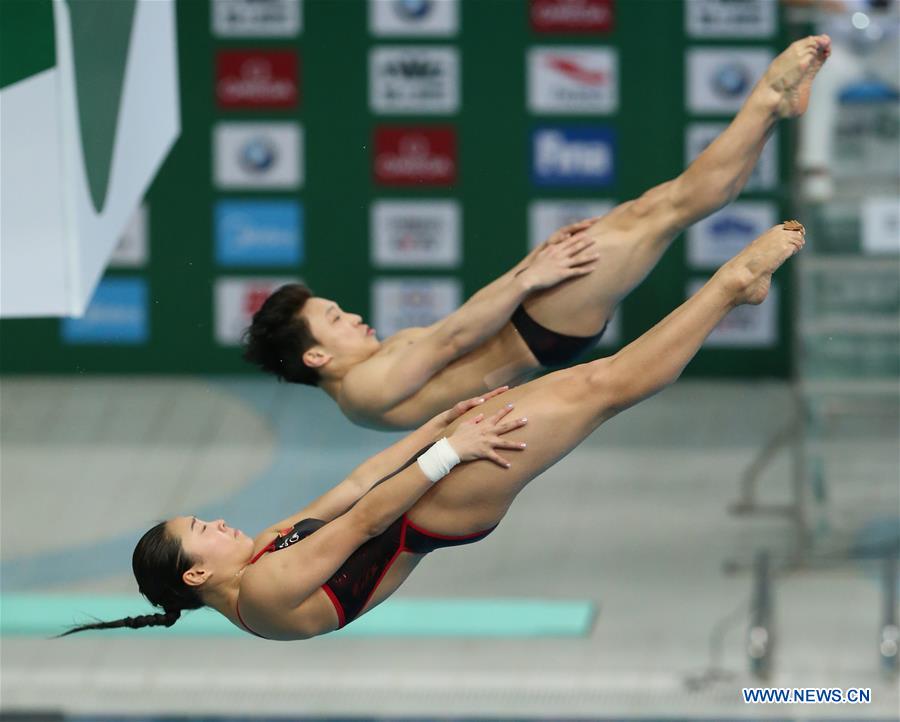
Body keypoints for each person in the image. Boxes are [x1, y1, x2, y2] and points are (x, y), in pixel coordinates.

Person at [61, 222, 805, 640]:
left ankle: (731, 288)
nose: (218, 521)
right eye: (202, 527)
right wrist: (455, 450)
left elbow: (353, 485)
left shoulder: (257, 556)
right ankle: (733, 287)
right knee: (599, 387)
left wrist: (433, 434)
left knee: (591, 388)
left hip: (427, 488)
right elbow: (368, 518)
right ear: (195, 574)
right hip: (435, 508)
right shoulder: (262, 593)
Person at [242, 37, 830, 431]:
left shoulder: (366, 379)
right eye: (335, 319)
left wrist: (532, 265)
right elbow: (451, 340)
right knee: (667, 209)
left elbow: (464, 341)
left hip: (537, 324)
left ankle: (773, 110)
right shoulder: (365, 388)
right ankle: (767, 102)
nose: (350, 316)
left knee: (656, 207)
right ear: (316, 355)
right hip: (540, 326)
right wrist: (531, 276)